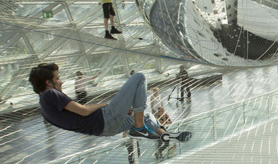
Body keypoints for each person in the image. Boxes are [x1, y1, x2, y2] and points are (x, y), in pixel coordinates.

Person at [29, 63, 191, 142]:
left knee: (146, 115)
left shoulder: (44, 110)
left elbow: (74, 119)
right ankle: (139, 128)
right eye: (57, 78)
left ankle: (166, 136)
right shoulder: (50, 94)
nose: (60, 81)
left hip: (103, 130)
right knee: (139, 77)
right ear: (47, 82)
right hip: (104, 118)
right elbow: (84, 111)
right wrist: (104, 105)